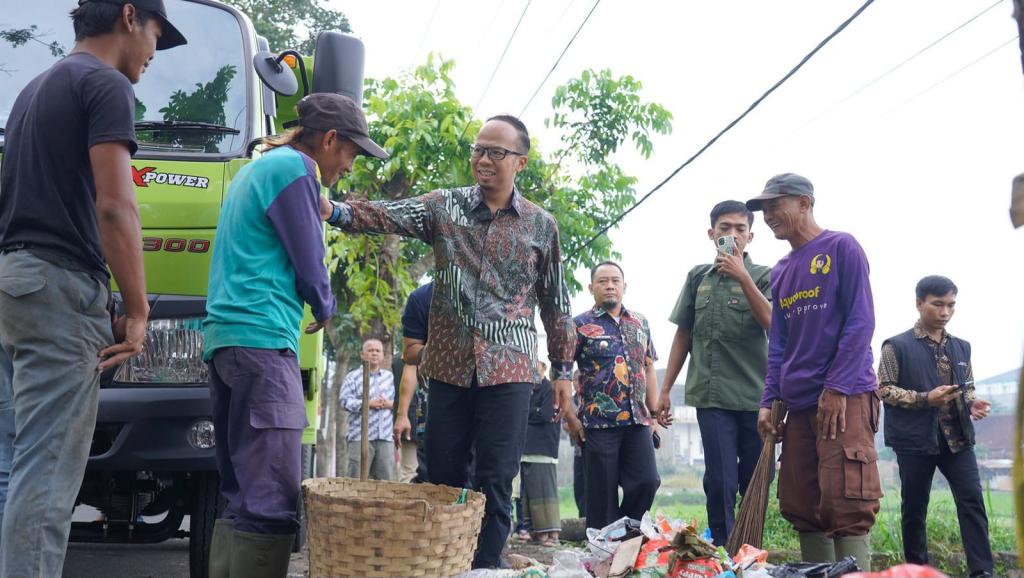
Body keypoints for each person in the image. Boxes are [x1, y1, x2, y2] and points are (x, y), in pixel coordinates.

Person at [323, 114, 576, 569]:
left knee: (497, 478)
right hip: (449, 369)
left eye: (496, 152)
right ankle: (444, 563)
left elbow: (556, 303)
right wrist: (336, 211)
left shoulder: (542, 226)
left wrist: (561, 372)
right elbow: (388, 213)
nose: (483, 159)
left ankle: (487, 565)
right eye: (478, 150)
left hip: (511, 370)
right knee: (442, 476)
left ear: (520, 161)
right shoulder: (445, 207)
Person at [0, 1, 185, 574]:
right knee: (48, 473)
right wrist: (137, 307)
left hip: (16, 283)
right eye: (157, 34)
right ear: (130, 17)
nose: (155, 52)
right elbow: (115, 205)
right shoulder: (105, 85)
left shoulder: (35, 88)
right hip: (59, 289)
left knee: (20, 465)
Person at [203, 92, 388, 578]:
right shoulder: (296, 171)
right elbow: (310, 261)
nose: (350, 165)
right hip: (264, 344)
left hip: (228, 341)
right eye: (352, 152)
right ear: (329, 140)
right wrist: (325, 307)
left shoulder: (259, 168)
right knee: (270, 499)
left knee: (241, 494)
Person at [747, 173, 880, 570]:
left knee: (847, 500)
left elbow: (861, 322)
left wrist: (837, 388)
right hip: (799, 405)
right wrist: (769, 400)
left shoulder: (842, 247)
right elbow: (780, 344)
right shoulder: (783, 269)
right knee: (802, 503)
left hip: (847, 397)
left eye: (776, 205)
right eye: (764, 208)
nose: (768, 214)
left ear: (805, 203)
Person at [656, 200, 772, 546]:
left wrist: (742, 276)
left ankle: (752, 550)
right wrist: (664, 391)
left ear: (750, 236)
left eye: (740, 229)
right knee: (720, 480)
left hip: (755, 397)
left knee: (756, 479)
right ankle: (723, 549)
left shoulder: (766, 275)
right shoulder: (697, 278)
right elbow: (683, 334)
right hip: (711, 396)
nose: (732, 235)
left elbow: (772, 322)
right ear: (711, 234)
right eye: (725, 229)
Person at [879, 275, 994, 578]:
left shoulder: (962, 347)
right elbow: (884, 389)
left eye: (951, 305)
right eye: (938, 304)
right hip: (914, 440)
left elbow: (966, 387)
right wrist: (923, 399)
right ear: (919, 304)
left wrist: (972, 403)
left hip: (956, 438)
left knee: (972, 502)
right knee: (914, 509)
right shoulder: (896, 346)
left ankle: (982, 572)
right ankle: (918, 571)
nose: (945, 312)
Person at [568, 261, 660, 530]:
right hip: (598, 425)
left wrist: (653, 415)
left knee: (647, 481)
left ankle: (625, 533)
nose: (610, 285)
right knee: (602, 496)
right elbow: (560, 373)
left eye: (615, 281)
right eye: (603, 281)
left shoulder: (640, 322)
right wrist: (571, 418)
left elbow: (649, 365)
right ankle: (603, 555)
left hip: (637, 420)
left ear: (624, 286)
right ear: (591, 288)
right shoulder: (579, 325)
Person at [395, 281, 434, 484]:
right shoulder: (424, 298)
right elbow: (410, 364)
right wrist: (402, 415)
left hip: (478, 402)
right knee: (429, 470)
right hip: (432, 406)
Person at [340, 339, 396, 480]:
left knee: (386, 483)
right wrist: (368, 404)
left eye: (378, 351)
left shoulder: (390, 378)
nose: (374, 354)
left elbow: (400, 403)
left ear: (383, 355)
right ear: (362, 354)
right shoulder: (352, 377)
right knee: (356, 480)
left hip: (385, 437)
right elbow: (344, 401)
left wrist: (389, 404)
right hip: (359, 438)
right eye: (370, 350)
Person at [520, 362, 561, 546]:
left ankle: (550, 533)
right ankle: (537, 532)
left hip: (543, 448)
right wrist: (531, 413)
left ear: (543, 369)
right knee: (530, 493)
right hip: (527, 448)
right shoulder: (528, 390)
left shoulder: (549, 389)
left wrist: (528, 413)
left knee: (544, 491)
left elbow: (545, 415)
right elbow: (521, 413)